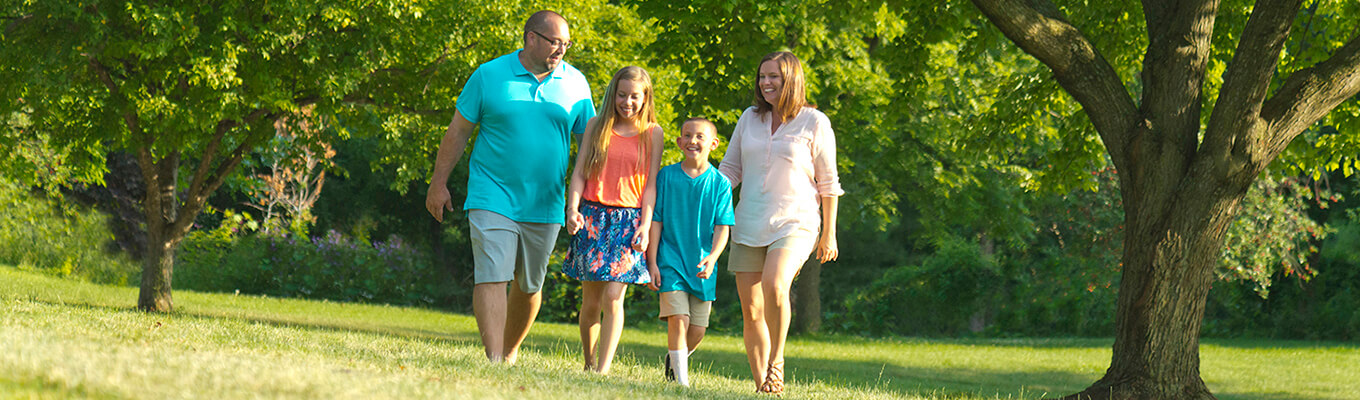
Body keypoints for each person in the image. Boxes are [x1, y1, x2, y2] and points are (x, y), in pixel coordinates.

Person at [424, 10, 595, 364]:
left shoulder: (576, 83)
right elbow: (457, 132)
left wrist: (586, 201)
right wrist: (438, 183)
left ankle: (510, 350)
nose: (561, 49)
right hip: (492, 193)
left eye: (566, 43)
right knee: (492, 272)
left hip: (546, 200)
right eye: (554, 42)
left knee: (530, 285)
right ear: (531, 37)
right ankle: (494, 359)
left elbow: (590, 145)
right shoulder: (489, 75)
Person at [718, 51, 843, 394]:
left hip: (796, 221)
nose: (766, 83)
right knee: (752, 310)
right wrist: (703, 191)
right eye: (762, 77)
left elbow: (828, 183)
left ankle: (777, 362)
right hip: (747, 221)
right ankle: (764, 386)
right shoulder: (749, 118)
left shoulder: (814, 122)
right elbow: (731, 169)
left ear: (791, 79)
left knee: (775, 284)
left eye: (773, 76)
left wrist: (828, 234)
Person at [562, 66, 664, 374]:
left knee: (613, 297)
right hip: (592, 216)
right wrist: (572, 209)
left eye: (635, 96)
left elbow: (650, 186)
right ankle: (589, 362)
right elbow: (579, 172)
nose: (627, 102)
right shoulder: (597, 125)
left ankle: (603, 369)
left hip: (628, 221)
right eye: (622, 95)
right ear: (613, 94)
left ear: (645, 98)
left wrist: (645, 226)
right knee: (591, 301)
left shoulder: (652, 133)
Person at [645, 117, 734, 387]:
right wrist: (652, 263)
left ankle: (675, 359)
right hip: (669, 260)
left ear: (714, 144)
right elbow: (656, 221)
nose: (692, 141)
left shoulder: (720, 184)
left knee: (697, 330)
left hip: (702, 265)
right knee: (679, 319)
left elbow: (722, 227)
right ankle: (681, 384)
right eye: (687, 135)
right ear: (679, 141)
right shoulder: (666, 176)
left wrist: (713, 257)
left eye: (700, 136)